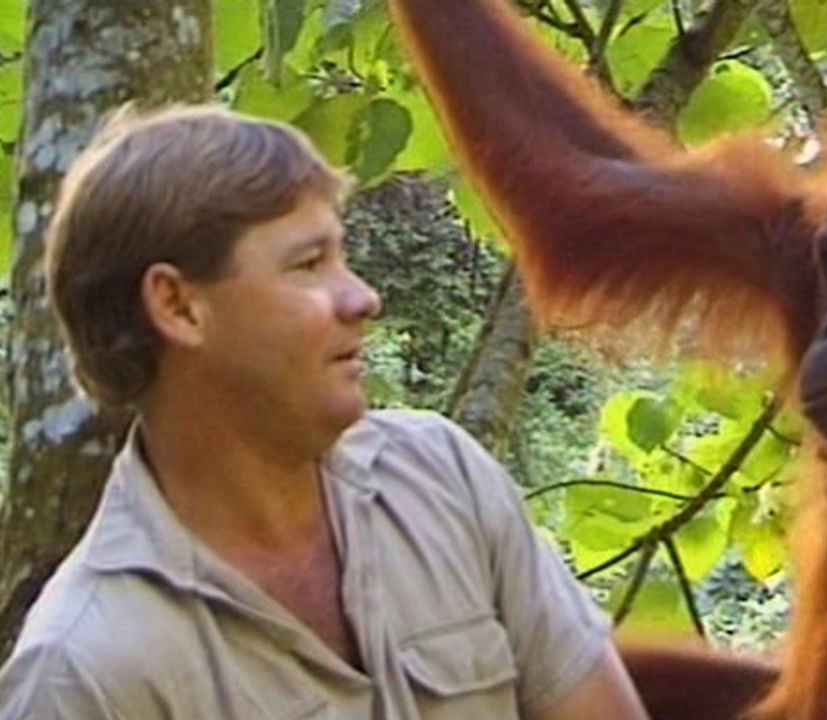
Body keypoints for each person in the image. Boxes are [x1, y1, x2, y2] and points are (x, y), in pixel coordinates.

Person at [0, 105, 652, 719]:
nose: (362, 297)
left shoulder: (442, 476)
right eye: (309, 264)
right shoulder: (84, 672)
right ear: (177, 307)